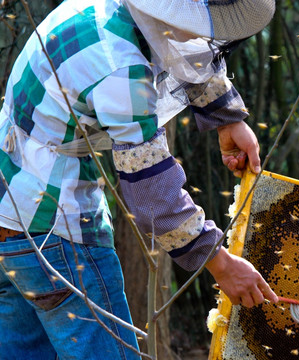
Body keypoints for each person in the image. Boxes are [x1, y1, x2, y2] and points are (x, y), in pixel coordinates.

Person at [0, 0, 278, 358]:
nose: (203, 37)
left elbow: (177, 47)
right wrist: (220, 264)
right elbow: (152, 193)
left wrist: (227, 118)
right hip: (54, 227)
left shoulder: (109, 9)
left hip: (9, 216)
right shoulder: (120, 68)